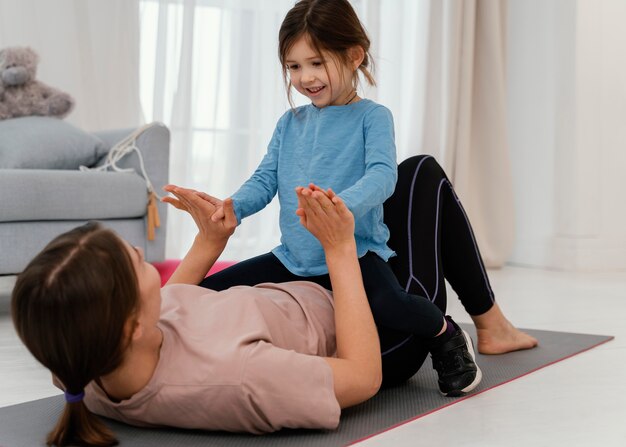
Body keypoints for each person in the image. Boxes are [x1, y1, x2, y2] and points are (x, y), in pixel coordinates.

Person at [177, 0, 533, 397]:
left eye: (316, 63)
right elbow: (265, 178)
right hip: (293, 258)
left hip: (357, 252)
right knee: (206, 294)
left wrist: (339, 207)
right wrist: (231, 207)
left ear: (353, 55)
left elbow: (383, 176)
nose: (305, 78)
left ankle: (446, 333)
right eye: (293, 67)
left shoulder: (372, 117)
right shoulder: (289, 123)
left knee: (390, 305)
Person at [11, 186, 381, 446]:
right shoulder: (243, 377)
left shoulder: (81, 361)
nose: (141, 251)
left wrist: (208, 241)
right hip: (354, 313)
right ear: (132, 327)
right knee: (419, 175)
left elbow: (170, 303)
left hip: (281, 296)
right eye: (138, 262)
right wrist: (339, 248)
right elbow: (363, 376)